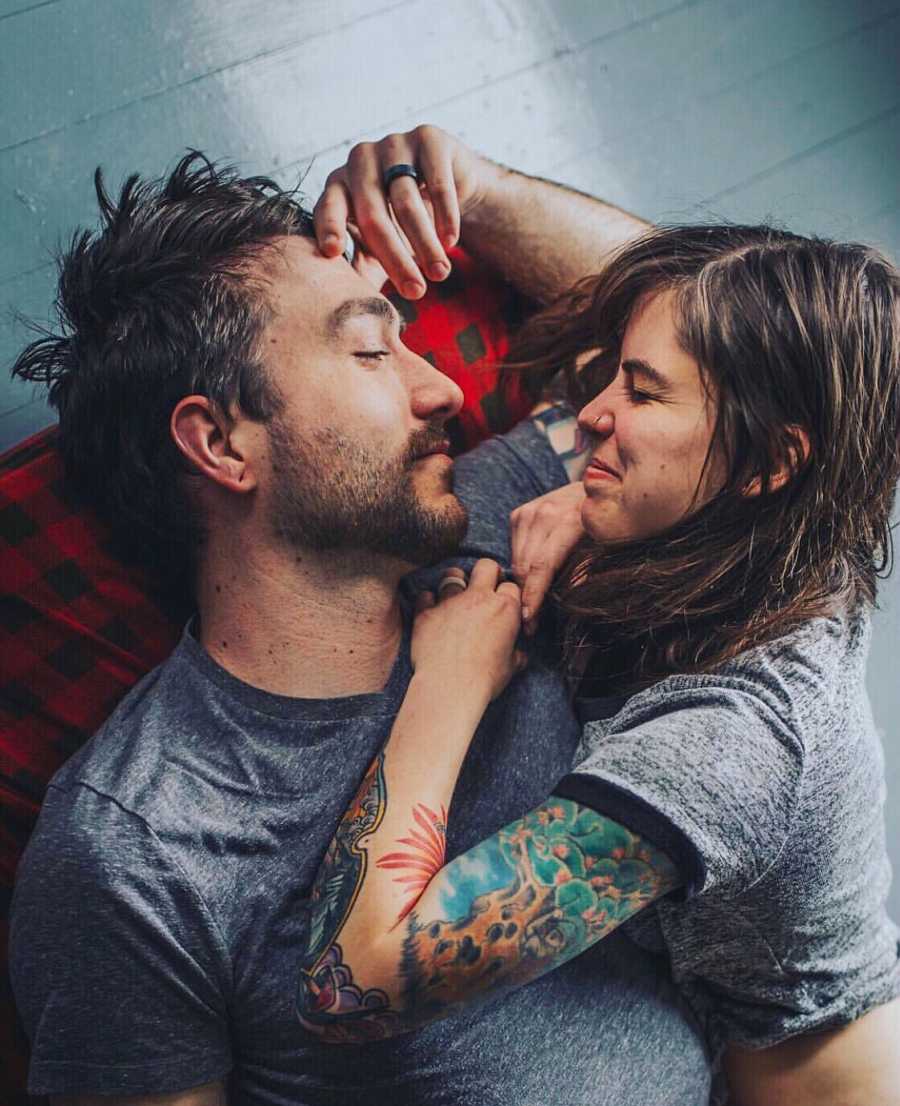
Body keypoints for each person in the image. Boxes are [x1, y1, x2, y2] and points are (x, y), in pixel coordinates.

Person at [7, 144, 714, 1104]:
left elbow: (735, 359)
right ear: (220, 442)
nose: (444, 392)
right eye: (373, 350)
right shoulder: (134, 856)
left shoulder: (502, 514)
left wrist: (482, 191)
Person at [297, 126, 900, 1105]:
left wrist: (448, 685)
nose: (588, 415)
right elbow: (759, 333)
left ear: (764, 463)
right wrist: (469, 183)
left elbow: (350, 982)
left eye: (640, 391)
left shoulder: (731, 743)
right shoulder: (795, 508)